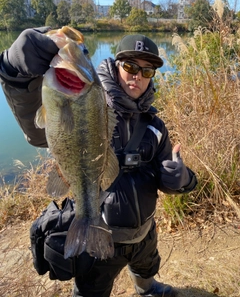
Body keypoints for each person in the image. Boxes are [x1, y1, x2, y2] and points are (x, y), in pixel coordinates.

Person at [0, 27, 197, 297]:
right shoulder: (94, 105)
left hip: (144, 232)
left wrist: (182, 180)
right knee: (92, 288)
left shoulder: (156, 126)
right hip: (101, 229)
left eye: (147, 71)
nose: (137, 76)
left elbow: (166, 175)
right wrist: (15, 75)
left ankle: (146, 289)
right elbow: (37, 132)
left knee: (146, 267)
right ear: (116, 66)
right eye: (130, 66)